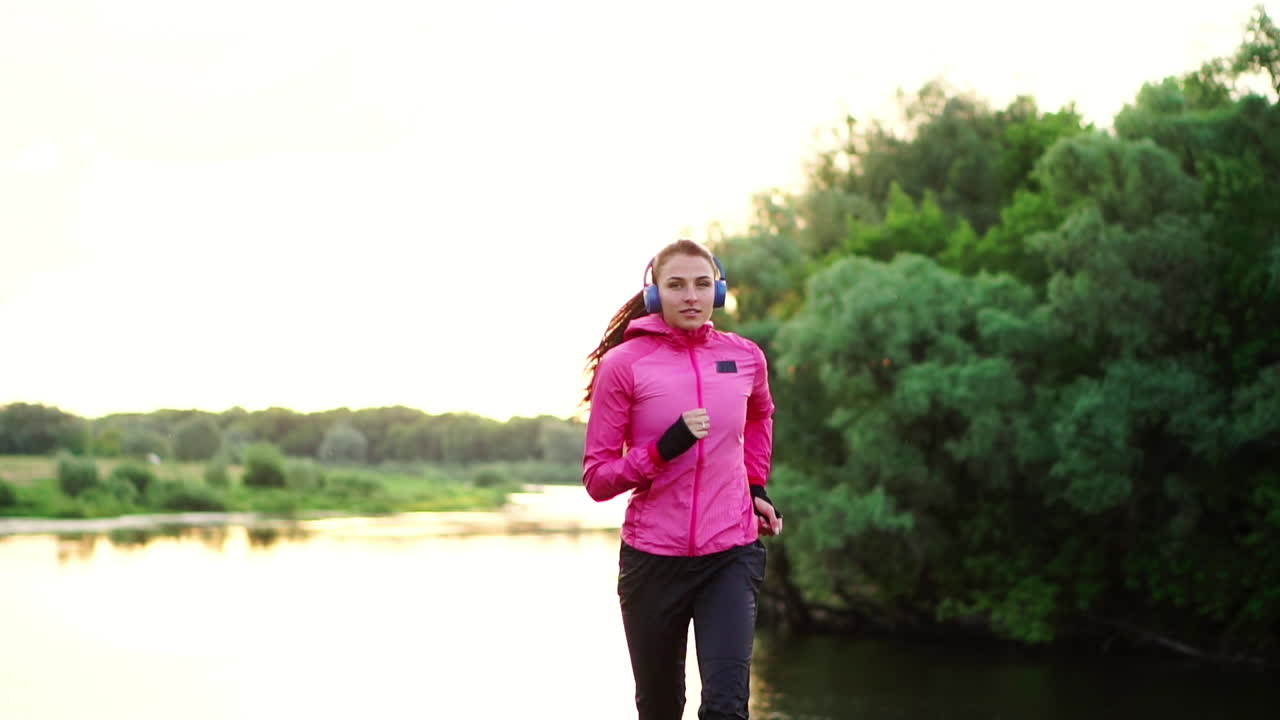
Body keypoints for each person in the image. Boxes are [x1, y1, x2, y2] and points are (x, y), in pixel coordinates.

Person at [582, 239, 783, 720]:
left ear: (718, 291)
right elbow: (598, 478)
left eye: (701, 284)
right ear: (655, 295)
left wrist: (755, 488)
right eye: (676, 285)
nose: (690, 295)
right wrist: (660, 451)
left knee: (727, 708)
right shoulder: (623, 366)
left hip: (730, 552)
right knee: (659, 707)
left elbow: (761, 416)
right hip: (652, 560)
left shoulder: (746, 357)